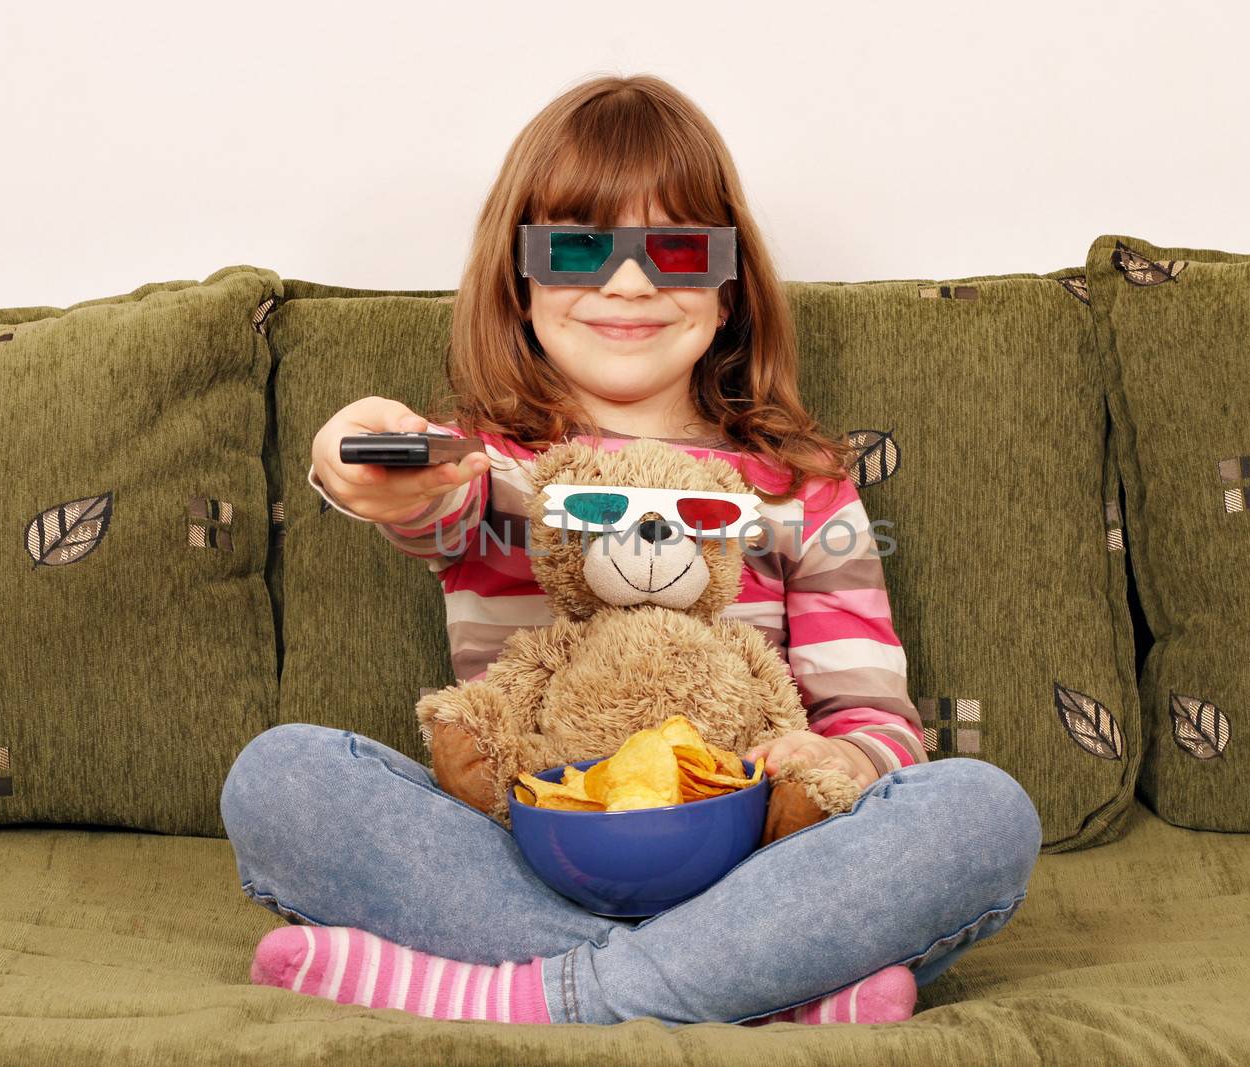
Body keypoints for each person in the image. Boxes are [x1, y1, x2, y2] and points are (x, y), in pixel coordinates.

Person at [220, 73, 1041, 1028]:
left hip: (758, 870)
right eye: (577, 246)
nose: (629, 283)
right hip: (526, 859)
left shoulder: (804, 486)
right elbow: (419, 500)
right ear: (519, 283)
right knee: (280, 778)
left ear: (729, 288)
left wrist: (839, 761)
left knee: (980, 810)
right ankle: (753, 991)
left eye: (680, 249)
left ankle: (530, 993)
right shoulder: (493, 471)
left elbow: (878, 722)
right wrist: (356, 459)